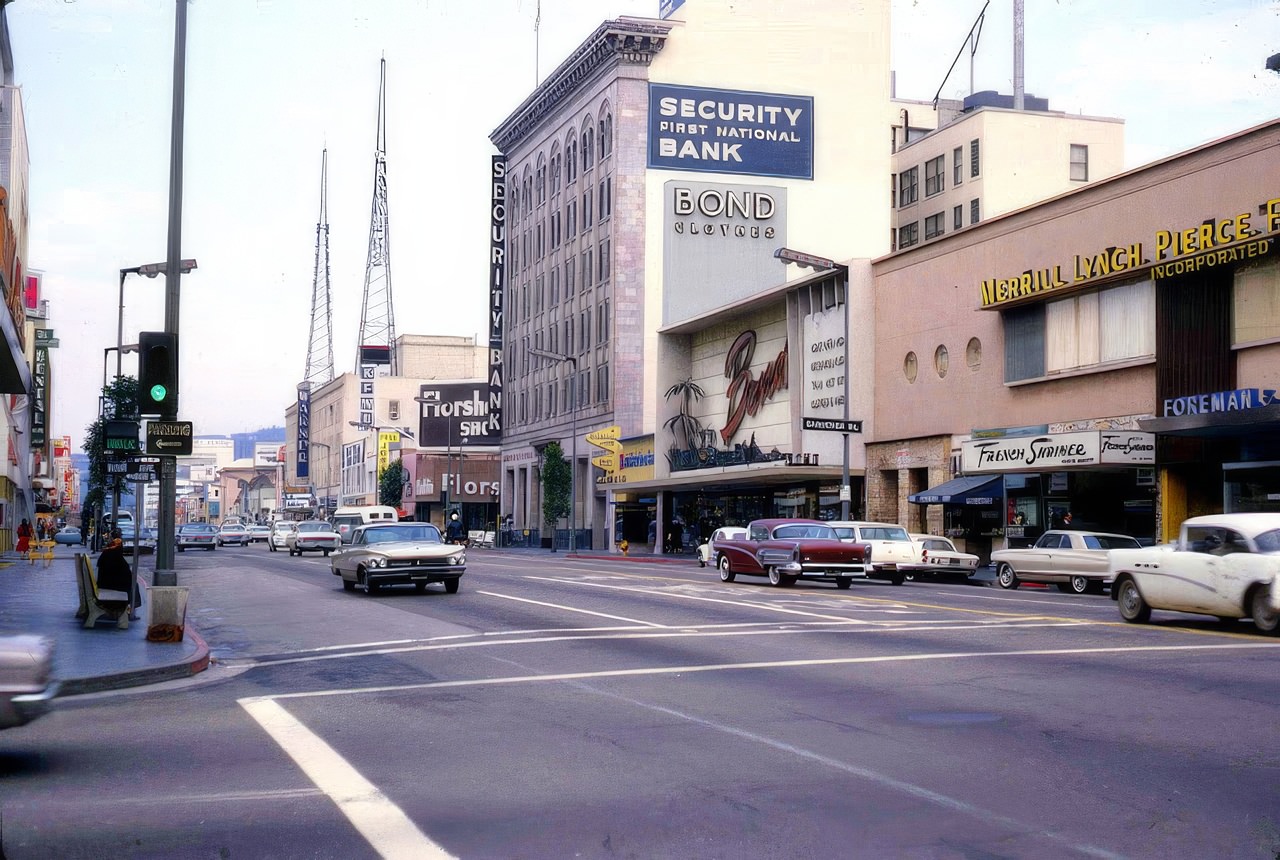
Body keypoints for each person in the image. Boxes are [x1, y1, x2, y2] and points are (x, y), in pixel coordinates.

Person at [96, 529, 134, 595]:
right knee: (134, 587)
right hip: (113, 585)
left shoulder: (108, 552)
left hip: (107, 584)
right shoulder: (115, 554)